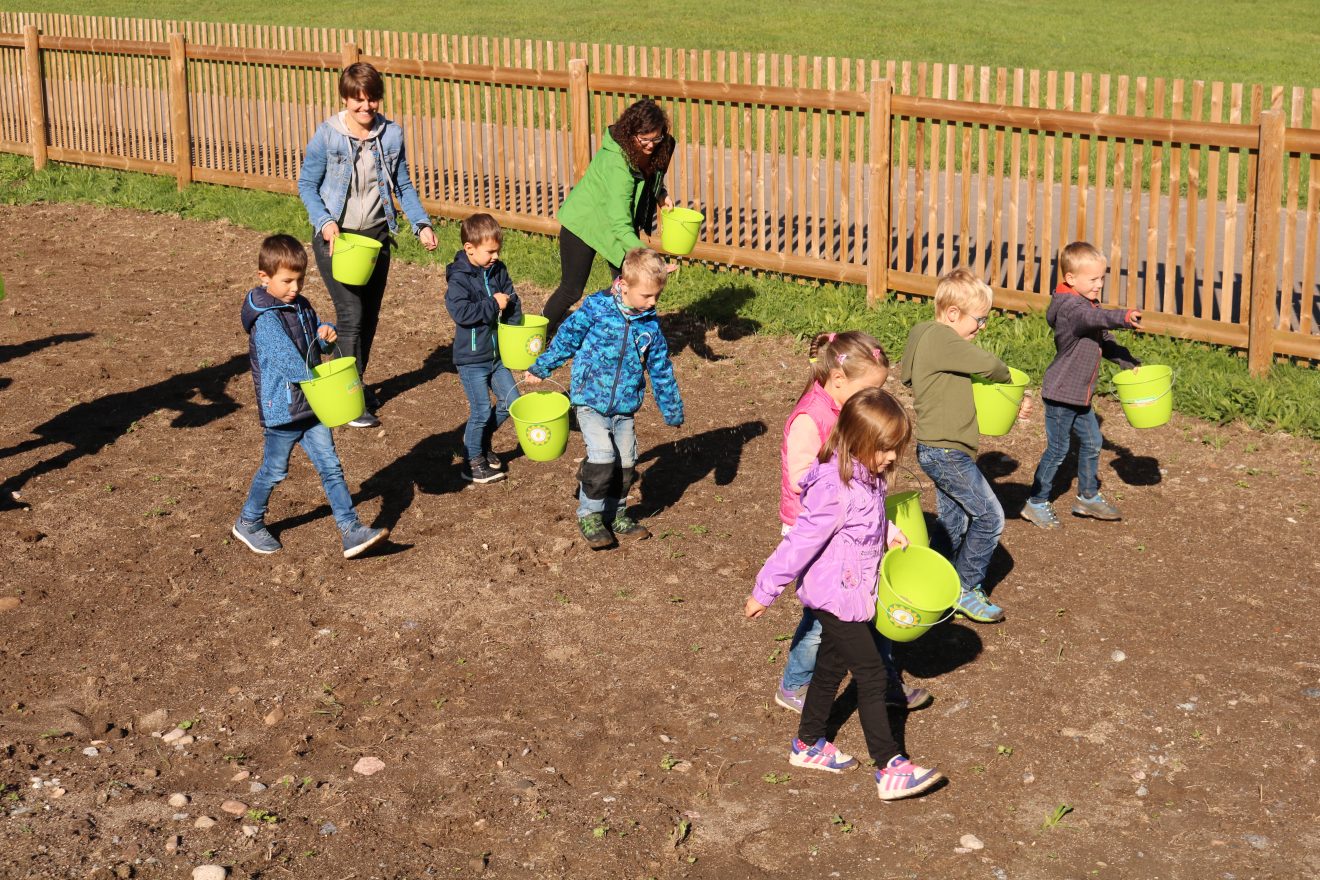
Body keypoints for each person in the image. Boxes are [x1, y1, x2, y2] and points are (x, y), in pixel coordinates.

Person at [745, 388, 943, 802]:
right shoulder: (834, 487)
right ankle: (890, 766)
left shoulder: (865, 478)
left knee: (831, 669)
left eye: (896, 448)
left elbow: (862, 521)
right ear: (856, 439)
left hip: (852, 592)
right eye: (885, 448)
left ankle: (807, 744)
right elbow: (799, 542)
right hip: (836, 596)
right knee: (871, 675)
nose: (892, 457)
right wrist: (765, 590)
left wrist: (889, 532)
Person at [774, 332, 932, 716]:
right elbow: (800, 477)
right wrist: (840, 481)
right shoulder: (811, 418)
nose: (873, 399)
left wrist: (880, 525)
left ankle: (882, 679)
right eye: (870, 389)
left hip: (855, 529)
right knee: (821, 618)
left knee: (871, 603)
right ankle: (794, 684)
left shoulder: (848, 409)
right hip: (816, 531)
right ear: (840, 381)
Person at [297, 61, 438, 429]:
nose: (365, 107)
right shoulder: (328, 135)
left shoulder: (391, 135)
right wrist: (325, 223)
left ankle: (353, 384)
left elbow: (402, 186)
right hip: (336, 238)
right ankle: (344, 398)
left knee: (370, 317)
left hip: (375, 238)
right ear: (345, 99)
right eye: (357, 100)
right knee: (351, 315)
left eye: (372, 99)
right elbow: (306, 185)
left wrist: (420, 223)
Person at [232, 234, 389, 559]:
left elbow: (315, 346)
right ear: (264, 278)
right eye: (287, 280)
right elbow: (292, 364)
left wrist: (325, 336)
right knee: (275, 470)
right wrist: (326, 385)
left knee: (331, 466)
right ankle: (249, 520)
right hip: (284, 410)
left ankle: (350, 530)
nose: (295, 287)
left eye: (300, 279)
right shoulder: (266, 320)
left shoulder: (301, 306)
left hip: (312, 403)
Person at [524, 248, 683, 549]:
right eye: (647, 296)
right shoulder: (597, 308)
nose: (652, 303)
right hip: (590, 400)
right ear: (624, 285)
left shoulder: (649, 326)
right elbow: (568, 336)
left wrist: (671, 408)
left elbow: (661, 368)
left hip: (624, 406)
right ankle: (590, 514)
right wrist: (541, 367)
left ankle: (616, 512)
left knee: (626, 462)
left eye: (656, 297)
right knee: (602, 458)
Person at [900, 268, 1030, 623]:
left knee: (953, 523)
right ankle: (965, 588)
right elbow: (988, 364)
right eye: (980, 319)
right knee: (990, 517)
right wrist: (1007, 377)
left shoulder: (926, 339)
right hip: (946, 451)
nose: (982, 327)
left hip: (938, 449)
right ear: (953, 314)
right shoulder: (943, 339)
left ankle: (933, 585)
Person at [1023, 241, 1143, 527]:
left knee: (1092, 442)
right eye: (1093, 279)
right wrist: (1123, 317)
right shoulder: (1071, 309)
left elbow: (1104, 338)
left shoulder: (1087, 304)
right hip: (1062, 393)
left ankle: (1086, 498)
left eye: (1102, 278)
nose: (1099, 284)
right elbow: (1094, 318)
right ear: (1071, 279)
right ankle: (1035, 502)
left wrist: (1129, 362)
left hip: (1080, 395)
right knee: (1058, 449)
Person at [542, 98, 675, 334]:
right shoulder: (618, 162)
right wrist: (649, 258)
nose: (651, 145)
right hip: (584, 221)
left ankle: (628, 343)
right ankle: (535, 337)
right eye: (644, 139)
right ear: (630, 133)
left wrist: (660, 195)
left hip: (616, 221)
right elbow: (620, 224)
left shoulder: (661, 146)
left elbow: (651, 176)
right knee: (571, 289)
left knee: (629, 287)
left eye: (656, 138)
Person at [445, 213, 523, 485]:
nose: (495, 256)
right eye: (490, 251)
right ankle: (473, 461)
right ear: (470, 249)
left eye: (498, 250)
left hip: (497, 355)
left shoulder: (498, 270)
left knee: (512, 401)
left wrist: (517, 331)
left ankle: (480, 441)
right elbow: (462, 313)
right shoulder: (459, 278)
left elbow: (511, 298)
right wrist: (493, 304)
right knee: (480, 409)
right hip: (471, 359)